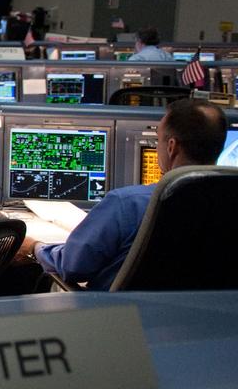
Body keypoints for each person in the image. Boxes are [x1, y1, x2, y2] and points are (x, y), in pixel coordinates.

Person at [19, 98, 227, 290]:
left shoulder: (128, 204)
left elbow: (73, 267)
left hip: (123, 317)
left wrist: (34, 247)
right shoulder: (228, 204)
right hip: (207, 321)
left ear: (171, 147)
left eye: (158, 140)